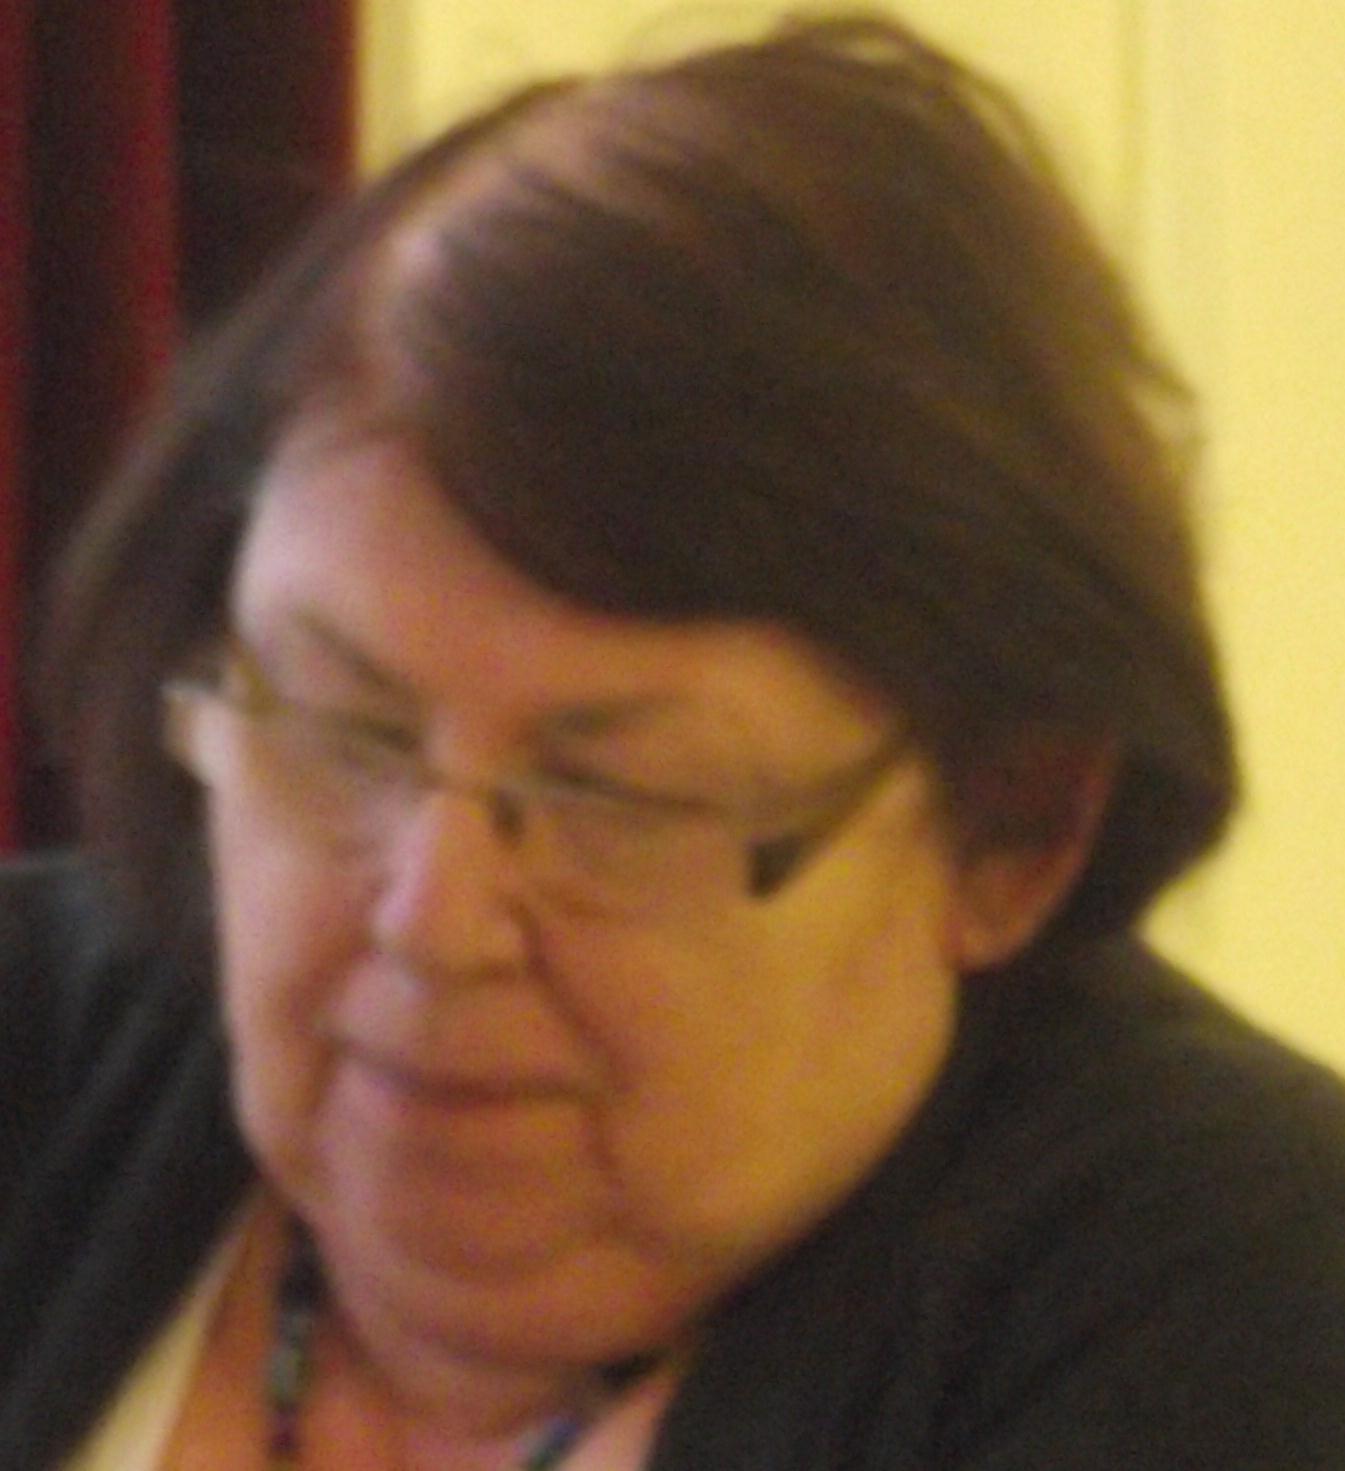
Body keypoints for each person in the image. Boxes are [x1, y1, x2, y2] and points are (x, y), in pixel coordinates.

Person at [3, 11, 1343, 1469]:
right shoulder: (37, 1055)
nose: (433, 922)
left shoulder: (1232, 1301)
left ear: (1012, 832)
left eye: (614, 795)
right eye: (345, 736)